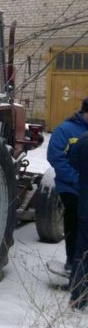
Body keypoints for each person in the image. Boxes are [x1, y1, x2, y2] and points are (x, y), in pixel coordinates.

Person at [47, 98, 88, 272]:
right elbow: (56, 157)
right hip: (71, 188)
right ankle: (72, 261)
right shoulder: (65, 130)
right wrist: (77, 179)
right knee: (74, 222)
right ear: (85, 112)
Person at [68, 130, 88, 309]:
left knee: (81, 253)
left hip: (85, 206)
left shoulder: (82, 140)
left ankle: (78, 299)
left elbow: (72, 161)